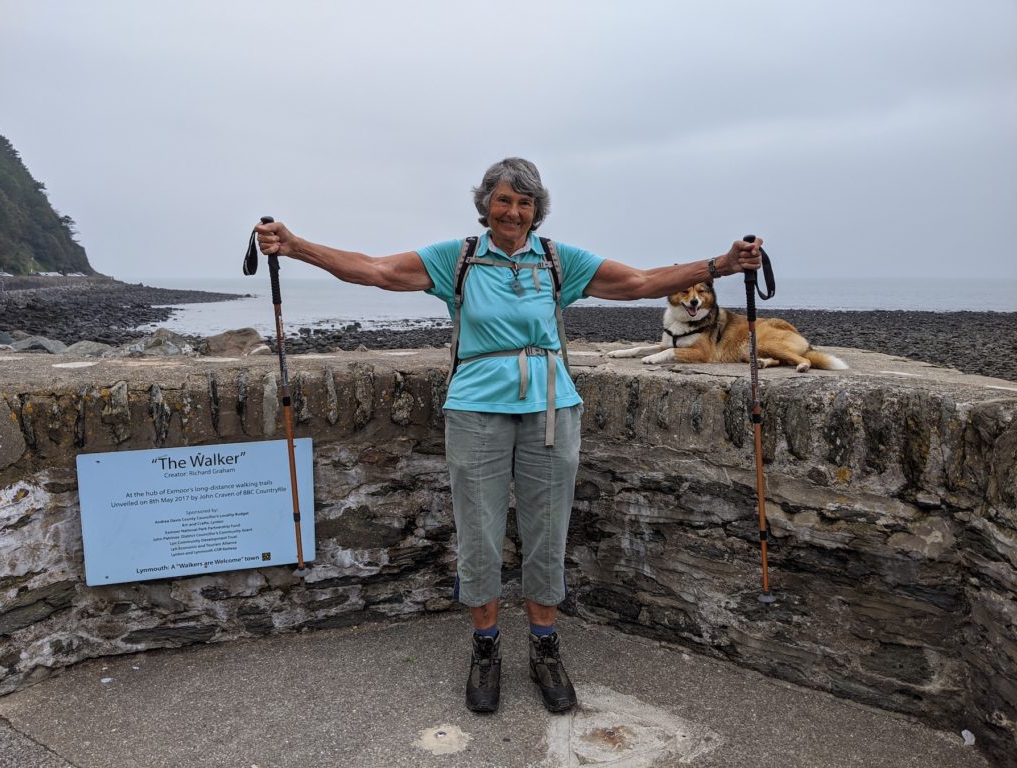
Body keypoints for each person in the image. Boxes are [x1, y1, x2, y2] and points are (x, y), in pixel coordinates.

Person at [255, 157, 763, 715]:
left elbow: (640, 282)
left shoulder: (555, 259)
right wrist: (297, 246)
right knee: (479, 531)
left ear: (536, 210)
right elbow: (375, 269)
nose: (513, 212)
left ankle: (545, 648)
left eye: (524, 203)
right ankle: (486, 648)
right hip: (475, 409)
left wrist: (718, 265)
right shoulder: (461, 258)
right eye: (503, 200)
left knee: (548, 528)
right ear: (485, 205)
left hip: (551, 407)